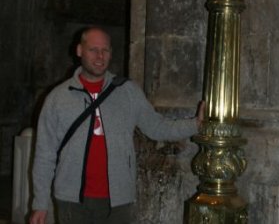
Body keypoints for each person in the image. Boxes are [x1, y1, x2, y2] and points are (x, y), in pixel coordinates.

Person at [29, 27, 203, 224]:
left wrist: (195, 124)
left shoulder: (127, 92)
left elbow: (157, 127)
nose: (100, 56)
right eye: (93, 50)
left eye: (105, 50)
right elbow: (45, 154)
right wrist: (40, 203)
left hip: (118, 200)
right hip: (72, 200)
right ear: (79, 51)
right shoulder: (58, 98)